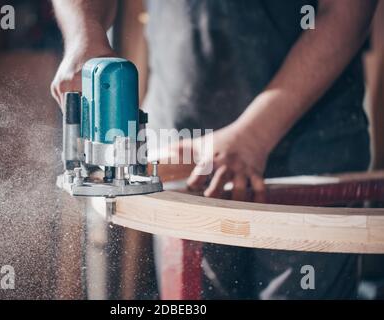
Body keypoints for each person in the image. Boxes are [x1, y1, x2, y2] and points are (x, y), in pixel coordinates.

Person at [51, 0, 377, 299]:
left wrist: (255, 135)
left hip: (312, 143)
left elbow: (350, 10)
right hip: (183, 150)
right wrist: (85, 36)